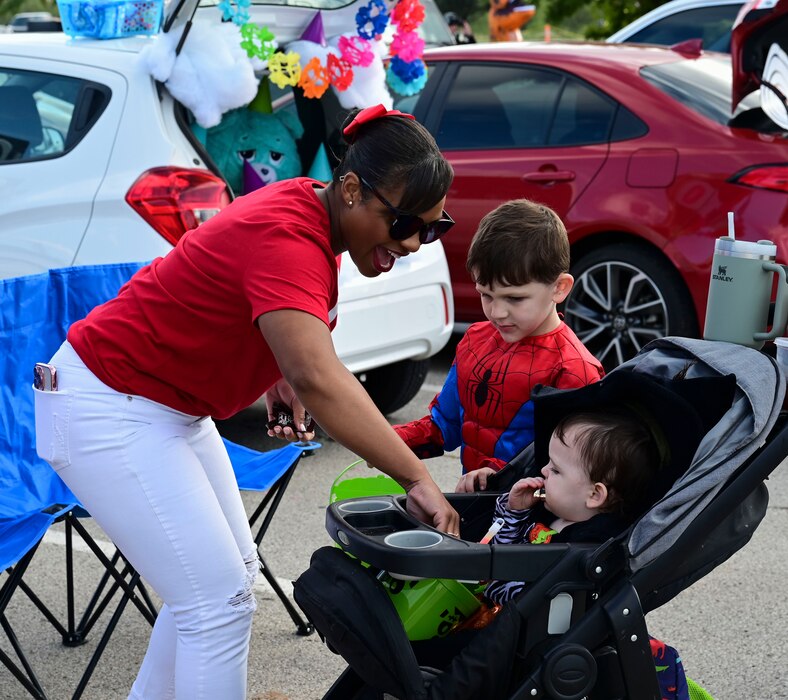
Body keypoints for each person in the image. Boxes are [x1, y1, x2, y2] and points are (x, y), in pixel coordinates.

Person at [32, 104, 460, 699]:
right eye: (406, 223)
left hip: (160, 406)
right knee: (219, 603)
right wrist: (416, 476)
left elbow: (248, 310)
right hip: (109, 403)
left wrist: (273, 371)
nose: (414, 243)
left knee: (214, 594)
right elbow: (317, 373)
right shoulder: (290, 236)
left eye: (435, 228)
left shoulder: (313, 207)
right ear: (353, 189)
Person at [393, 198, 604, 478]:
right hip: (475, 505)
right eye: (485, 294)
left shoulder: (574, 370)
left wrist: (500, 475)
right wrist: (388, 440)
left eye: (514, 298)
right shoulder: (474, 340)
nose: (497, 311)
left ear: (559, 288)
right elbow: (444, 425)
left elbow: (577, 472)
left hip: (535, 518)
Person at [482, 409, 661, 606]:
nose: (543, 470)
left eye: (556, 470)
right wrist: (514, 511)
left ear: (594, 495)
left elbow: (519, 596)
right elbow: (500, 551)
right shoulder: (549, 511)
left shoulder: (587, 546)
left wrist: (491, 579)